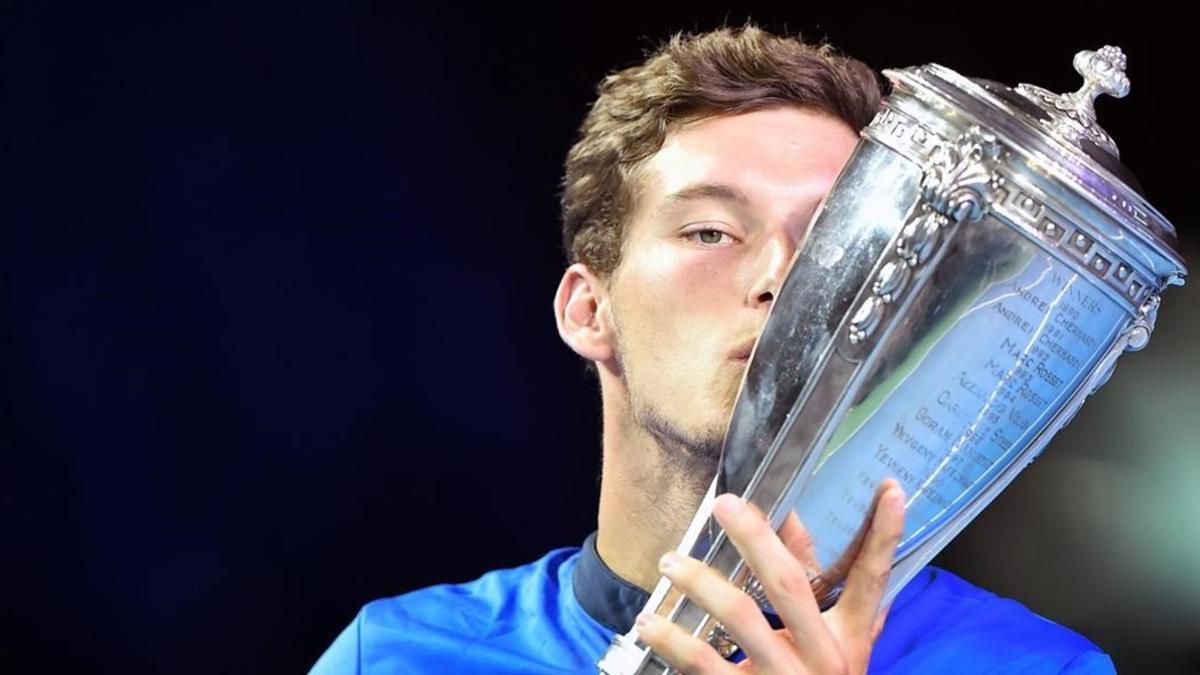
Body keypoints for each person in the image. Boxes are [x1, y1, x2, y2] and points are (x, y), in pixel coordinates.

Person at [311, 25, 1115, 674]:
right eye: (710, 231)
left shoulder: (1038, 666)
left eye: (835, 239)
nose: (782, 278)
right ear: (589, 310)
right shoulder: (396, 655)